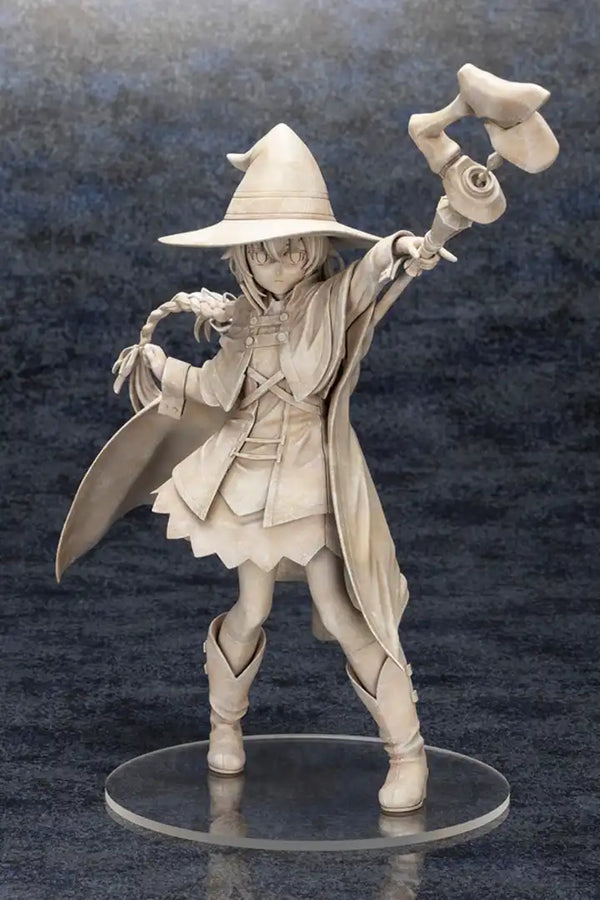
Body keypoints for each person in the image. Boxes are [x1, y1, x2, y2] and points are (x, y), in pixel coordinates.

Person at [57, 123, 453, 814]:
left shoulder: (329, 303)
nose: (281, 261)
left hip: (311, 479)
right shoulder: (240, 321)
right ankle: (224, 724)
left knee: (341, 607)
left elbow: (367, 279)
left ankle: (407, 751)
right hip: (246, 483)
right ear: (244, 255)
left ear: (315, 247)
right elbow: (217, 391)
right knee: (253, 606)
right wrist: (159, 367)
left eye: (294, 246)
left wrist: (399, 248)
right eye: (265, 249)